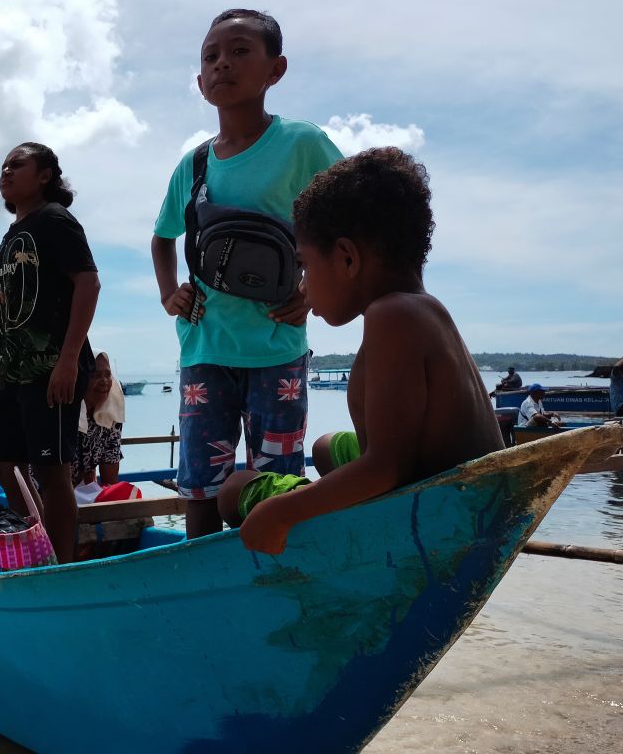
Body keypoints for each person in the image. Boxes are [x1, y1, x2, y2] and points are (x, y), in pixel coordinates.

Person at [214, 147, 504, 554]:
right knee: (324, 447)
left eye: (306, 266)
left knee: (233, 490)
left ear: (347, 258)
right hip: (455, 492)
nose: (302, 285)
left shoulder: (392, 317)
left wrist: (281, 513)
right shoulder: (421, 309)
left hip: (434, 516)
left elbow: (386, 466)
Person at [150, 8, 343, 539]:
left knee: (275, 481)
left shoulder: (302, 145)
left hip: (276, 345)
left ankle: (273, 582)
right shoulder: (192, 166)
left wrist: (312, 290)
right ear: (199, 80)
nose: (222, 65)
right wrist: (171, 293)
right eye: (211, 56)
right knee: (200, 485)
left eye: (239, 52)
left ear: (274, 70)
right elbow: (163, 237)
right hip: (204, 346)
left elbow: (350, 216)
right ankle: (201, 586)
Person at [0, 142, 100, 564]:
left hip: (52, 367)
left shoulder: (55, 221)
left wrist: (67, 359)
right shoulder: (10, 238)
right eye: (3, 166)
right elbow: (6, 318)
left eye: (17, 165)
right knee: (5, 464)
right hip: (14, 371)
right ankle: (41, 544)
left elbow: (88, 284)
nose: (6, 172)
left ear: (45, 175)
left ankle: (61, 564)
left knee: (51, 470)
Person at [75, 352, 125, 488]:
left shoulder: (111, 417)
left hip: (82, 492)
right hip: (48, 492)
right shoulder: (66, 415)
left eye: (108, 375)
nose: (104, 381)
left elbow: (110, 480)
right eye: (96, 375)